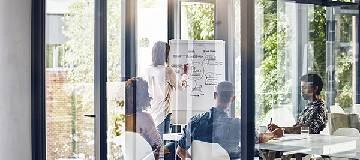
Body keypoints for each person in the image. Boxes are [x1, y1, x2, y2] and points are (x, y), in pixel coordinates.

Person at [176, 81, 283, 159]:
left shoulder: (194, 122)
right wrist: (273, 134)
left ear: (214, 95)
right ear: (233, 99)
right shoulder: (237, 124)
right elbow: (259, 138)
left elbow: (180, 151)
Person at [124, 77, 167, 159]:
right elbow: (159, 146)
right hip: (145, 157)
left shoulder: (119, 119)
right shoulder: (144, 118)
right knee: (172, 147)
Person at [146, 41, 178, 134]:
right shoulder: (167, 70)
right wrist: (185, 76)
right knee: (163, 143)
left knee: (155, 143)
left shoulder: (148, 70)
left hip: (151, 111)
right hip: (163, 112)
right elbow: (180, 87)